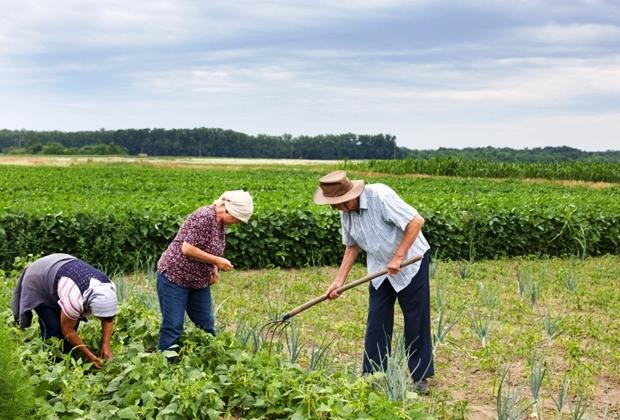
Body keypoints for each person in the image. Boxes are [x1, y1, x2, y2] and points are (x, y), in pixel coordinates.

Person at [314, 170, 434, 393]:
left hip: (410, 262)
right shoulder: (345, 211)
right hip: (380, 268)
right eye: (333, 204)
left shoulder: (380, 196)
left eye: (338, 203)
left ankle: (420, 376)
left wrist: (399, 256)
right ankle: (372, 374)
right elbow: (352, 246)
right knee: (377, 319)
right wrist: (338, 281)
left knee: (415, 318)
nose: (336, 208)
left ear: (351, 194)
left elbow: (416, 221)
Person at [156, 190, 253, 353]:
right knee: (173, 326)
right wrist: (217, 261)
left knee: (206, 323)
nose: (236, 222)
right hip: (174, 277)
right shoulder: (204, 217)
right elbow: (187, 249)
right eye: (236, 218)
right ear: (228, 209)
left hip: (198, 281)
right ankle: (167, 366)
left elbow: (210, 248)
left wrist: (213, 268)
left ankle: (211, 358)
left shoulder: (221, 223)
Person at [11, 253, 118, 368]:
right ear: (90, 306)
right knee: (53, 329)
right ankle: (50, 365)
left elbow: (108, 319)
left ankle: (67, 360)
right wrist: (90, 356)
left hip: (60, 267)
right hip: (38, 278)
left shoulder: (109, 287)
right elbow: (68, 331)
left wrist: (105, 346)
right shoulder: (75, 299)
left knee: (68, 334)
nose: (104, 319)